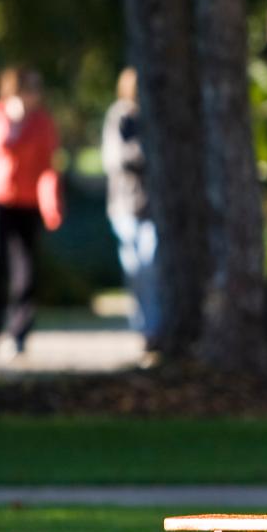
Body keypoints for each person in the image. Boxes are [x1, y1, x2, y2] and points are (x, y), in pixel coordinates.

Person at [0, 66, 62, 356]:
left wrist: (51, 202)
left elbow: (49, 166)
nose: (35, 95)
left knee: (26, 269)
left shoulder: (42, 122)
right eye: (30, 88)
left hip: (29, 202)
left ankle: (20, 330)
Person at [101, 67, 158, 340]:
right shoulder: (120, 117)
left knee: (151, 263)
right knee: (135, 267)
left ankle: (154, 324)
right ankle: (142, 324)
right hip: (125, 203)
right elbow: (114, 158)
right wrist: (144, 153)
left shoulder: (154, 116)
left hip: (152, 205)